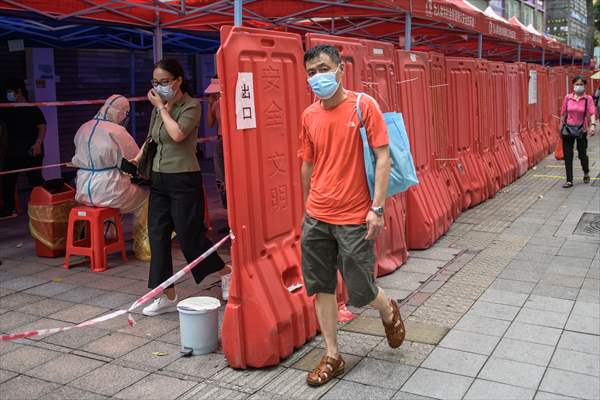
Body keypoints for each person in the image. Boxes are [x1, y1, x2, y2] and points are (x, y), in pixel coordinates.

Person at [299, 45, 405, 387]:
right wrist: (307, 208)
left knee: (360, 290)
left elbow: (384, 157)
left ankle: (388, 308)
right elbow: (307, 164)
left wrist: (377, 208)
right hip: (317, 215)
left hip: (354, 216)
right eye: (311, 72)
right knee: (321, 286)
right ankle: (332, 354)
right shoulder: (309, 116)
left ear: (340, 70)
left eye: (323, 69)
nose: (318, 77)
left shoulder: (363, 105)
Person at [133, 59, 230, 316]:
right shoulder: (157, 110)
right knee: (157, 236)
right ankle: (165, 293)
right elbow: (153, 137)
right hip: (158, 178)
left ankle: (226, 272)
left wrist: (162, 109)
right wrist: (138, 157)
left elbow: (177, 135)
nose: (159, 87)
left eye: (164, 82)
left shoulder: (192, 105)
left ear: (178, 80)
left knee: (190, 237)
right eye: (155, 82)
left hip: (184, 178)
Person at [70, 95, 150, 261]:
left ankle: (105, 235)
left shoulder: (83, 128)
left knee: (114, 201)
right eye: (126, 114)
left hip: (83, 190)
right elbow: (135, 160)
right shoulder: (118, 132)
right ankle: (144, 248)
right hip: (110, 190)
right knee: (146, 197)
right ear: (121, 113)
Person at [0, 78, 47, 219]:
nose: (8, 95)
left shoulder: (32, 109)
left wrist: (38, 143)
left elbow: (42, 127)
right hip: (12, 152)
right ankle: (9, 210)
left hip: (32, 151)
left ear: (18, 91)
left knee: (35, 181)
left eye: (10, 92)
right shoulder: (6, 109)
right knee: (8, 182)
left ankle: (44, 207)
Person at [560, 76, 596, 188]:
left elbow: (592, 113)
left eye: (581, 84)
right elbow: (563, 113)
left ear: (584, 86)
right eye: (577, 84)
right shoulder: (568, 98)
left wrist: (593, 125)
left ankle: (586, 172)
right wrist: (560, 128)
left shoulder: (588, 99)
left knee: (582, 154)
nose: (578, 86)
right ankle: (569, 180)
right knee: (568, 155)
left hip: (581, 130)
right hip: (568, 129)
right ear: (573, 85)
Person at [204, 75, 228, 210]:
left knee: (225, 178)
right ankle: (228, 214)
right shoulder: (215, 104)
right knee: (221, 178)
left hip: (226, 141)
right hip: (220, 140)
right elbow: (209, 123)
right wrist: (210, 105)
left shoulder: (226, 102)